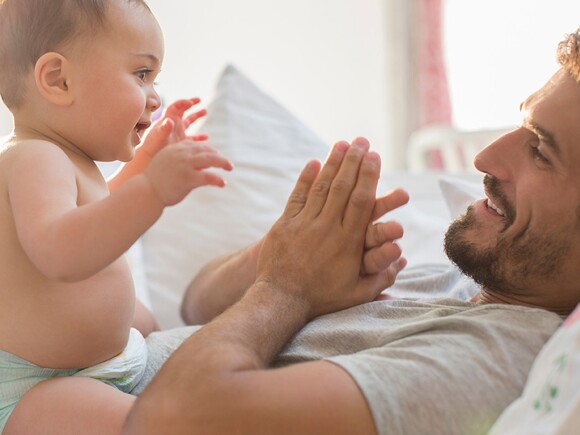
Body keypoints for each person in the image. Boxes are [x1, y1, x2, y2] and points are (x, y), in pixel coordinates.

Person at [124, 31, 580, 435]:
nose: (483, 159)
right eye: (519, 127)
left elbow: (166, 421)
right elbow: (196, 306)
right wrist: (287, 253)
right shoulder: (469, 279)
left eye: (539, 151)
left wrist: (285, 289)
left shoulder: (486, 364)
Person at [0, 0, 234, 433]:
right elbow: (61, 251)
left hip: (101, 359)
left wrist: (146, 161)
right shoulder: (32, 158)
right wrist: (151, 190)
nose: (155, 96)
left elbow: (97, 214)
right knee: (149, 423)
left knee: (141, 317)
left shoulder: (66, 159)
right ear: (59, 80)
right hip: (38, 387)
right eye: (142, 74)